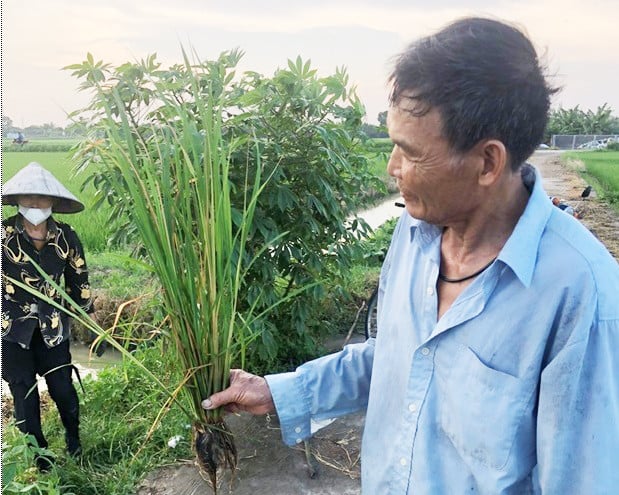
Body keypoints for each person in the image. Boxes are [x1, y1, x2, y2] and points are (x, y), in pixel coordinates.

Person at [201, 17, 619, 493]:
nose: (391, 168)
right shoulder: (414, 234)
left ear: (487, 162)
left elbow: (582, 479)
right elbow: (398, 360)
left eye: (410, 152)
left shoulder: (581, 297)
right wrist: (277, 392)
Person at [2, 162, 96, 470]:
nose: (34, 205)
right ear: (17, 201)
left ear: (52, 202)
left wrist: (85, 314)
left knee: (62, 389)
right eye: (27, 198)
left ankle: (74, 439)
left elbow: (79, 279)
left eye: (41, 198)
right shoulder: (2, 236)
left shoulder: (66, 238)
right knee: (24, 395)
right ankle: (41, 459)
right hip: (12, 331)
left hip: (53, 328)